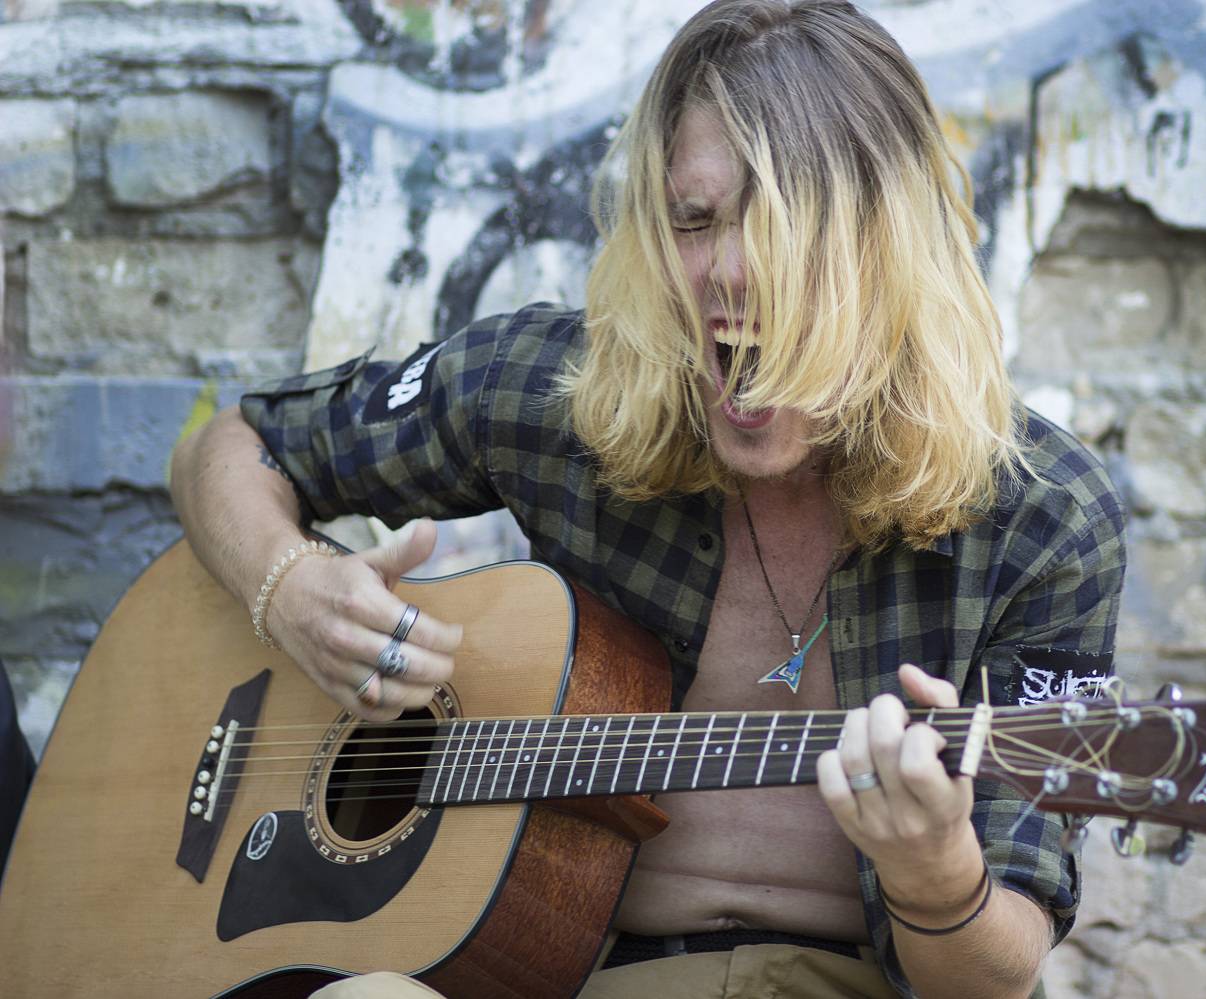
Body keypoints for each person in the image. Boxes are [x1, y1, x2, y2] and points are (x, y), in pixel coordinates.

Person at [170, 2, 1125, 996]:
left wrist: (935, 872)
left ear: (889, 248)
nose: (732, 272)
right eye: (693, 221)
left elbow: (996, 973)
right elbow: (231, 447)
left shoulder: (1044, 514)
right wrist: (287, 588)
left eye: (787, 228)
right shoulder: (557, 392)